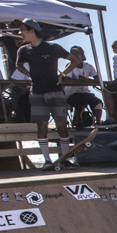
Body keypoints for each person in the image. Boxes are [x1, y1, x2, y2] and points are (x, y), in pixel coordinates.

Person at [16, 19, 73, 168]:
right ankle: (47, 160)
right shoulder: (23, 50)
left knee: (62, 126)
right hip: (37, 92)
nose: (20, 33)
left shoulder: (52, 47)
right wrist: (29, 74)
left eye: (22, 30)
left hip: (56, 91)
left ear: (32, 30)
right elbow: (18, 64)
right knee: (41, 126)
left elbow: (74, 60)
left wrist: (62, 75)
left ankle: (65, 159)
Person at [61, 46, 104, 125]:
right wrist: (80, 81)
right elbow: (67, 79)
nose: (74, 56)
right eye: (72, 54)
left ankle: (98, 122)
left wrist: (88, 80)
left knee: (98, 102)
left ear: (82, 56)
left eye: (77, 54)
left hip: (85, 92)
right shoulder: (69, 66)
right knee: (81, 101)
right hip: (72, 94)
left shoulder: (88, 66)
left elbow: (98, 79)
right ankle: (79, 121)